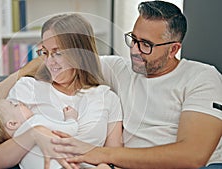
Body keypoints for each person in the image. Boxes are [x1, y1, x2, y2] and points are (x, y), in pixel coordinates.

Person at [48, 1, 222, 169]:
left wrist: (101, 154)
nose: (134, 50)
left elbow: (192, 156)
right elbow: (66, 60)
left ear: (173, 49)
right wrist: (21, 76)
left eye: (146, 44)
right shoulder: (119, 69)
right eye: (133, 39)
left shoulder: (201, 77)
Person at [0, 13, 123, 169]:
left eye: (57, 53)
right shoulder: (27, 88)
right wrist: (33, 134)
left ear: (80, 53)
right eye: (45, 52)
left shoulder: (108, 98)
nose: (49, 62)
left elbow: (116, 159)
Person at [0, 98, 78, 149]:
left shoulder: (17, 150)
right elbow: (70, 130)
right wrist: (71, 117)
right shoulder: (35, 122)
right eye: (15, 105)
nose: (20, 103)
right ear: (12, 124)